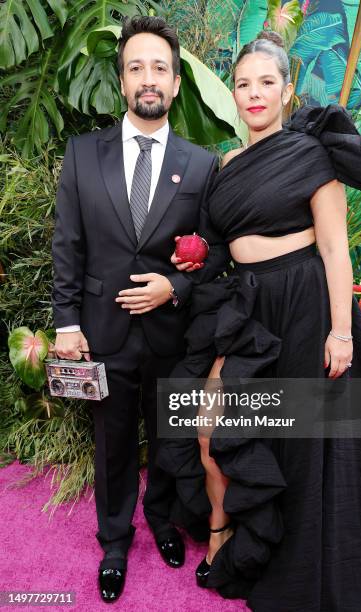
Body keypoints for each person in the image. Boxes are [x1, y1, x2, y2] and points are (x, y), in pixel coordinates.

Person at [157, 30, 361, 610]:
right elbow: (221, 246)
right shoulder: (226, 162)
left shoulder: (311, 153)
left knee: (297, 438)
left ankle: (293, 550)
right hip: (245, 304)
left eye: (266, 82)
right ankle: (222, 528)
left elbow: (336, 250)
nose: (252, 93)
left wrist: (340, 331)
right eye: (243, 83)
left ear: (287, 91)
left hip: (302, 301)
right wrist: (191, 257)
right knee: (211, 426)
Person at [51, 16, 228, 603]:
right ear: (121, 81)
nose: (147, 78)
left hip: (171, 334)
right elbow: (69, 246)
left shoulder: (201, 165)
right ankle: (114, 541)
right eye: (135, 67)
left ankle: (160, 518)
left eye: (159, 68)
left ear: (177, 84)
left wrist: (172, 291)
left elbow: (214, 250)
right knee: (114, 442)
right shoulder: (82, 155)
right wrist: (67, 324)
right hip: (101, 333)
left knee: (169, 437)